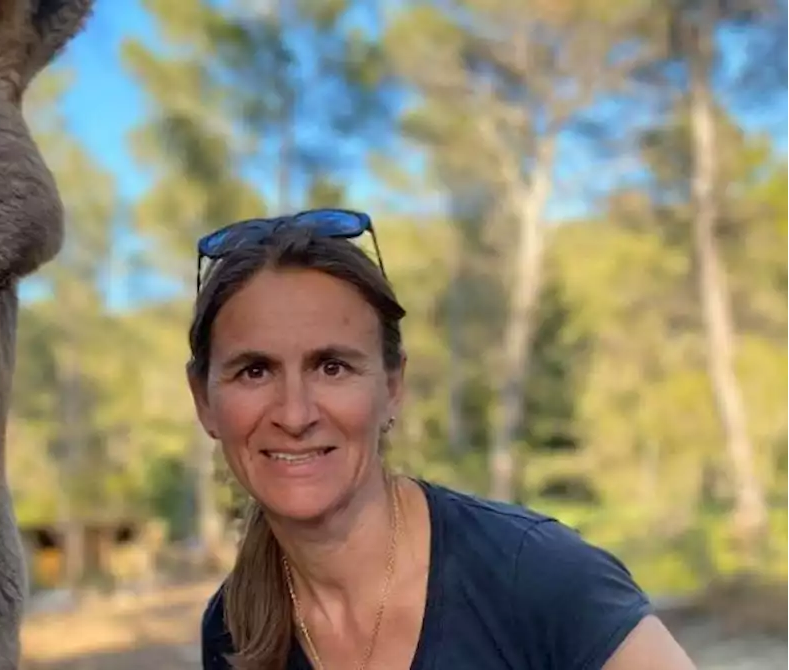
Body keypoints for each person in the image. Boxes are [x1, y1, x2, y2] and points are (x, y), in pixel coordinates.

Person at [188, 209, 697, 670]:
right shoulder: (235, 628)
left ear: (392, 386)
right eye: (254, 371)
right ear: (203, 400)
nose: (295, 414)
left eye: (332, 366)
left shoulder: (536, 577)